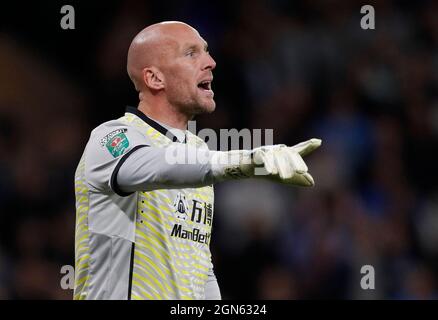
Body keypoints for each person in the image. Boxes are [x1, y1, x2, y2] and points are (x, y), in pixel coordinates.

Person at [73, 21, 321, 300]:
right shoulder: (111, 139)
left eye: (206, 51)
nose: (211, 62)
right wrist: (249, 161)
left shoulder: (197, 150)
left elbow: (199, 264)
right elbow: (162, 167)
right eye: (191, 53)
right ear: (155, 79)